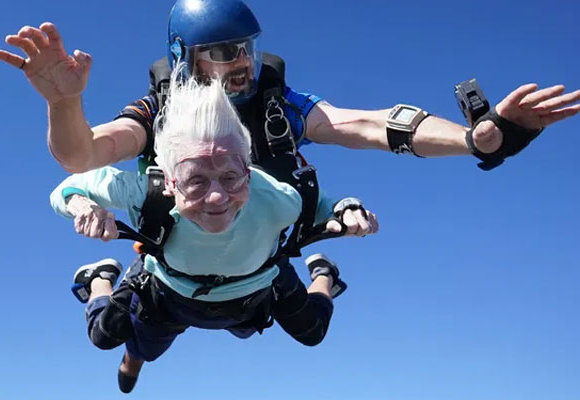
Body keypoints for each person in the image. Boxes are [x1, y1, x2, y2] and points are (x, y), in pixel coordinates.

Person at [49, 74, 379, 393]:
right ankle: (101, 281)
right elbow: (67, 188)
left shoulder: (278, 196)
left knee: (312, 331)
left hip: (254, 290)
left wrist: (348, 209)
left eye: (231, 177)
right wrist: (84, 207)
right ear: (169, 182)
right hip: (169, 290)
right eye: (197, 181)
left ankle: (325, 276)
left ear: (249, 173)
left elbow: (318, 202)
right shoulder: (144, 191)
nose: (218, 197)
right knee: (106, 335)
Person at [0, 0, 580, 175]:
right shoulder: (160, 108)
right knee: (148, 327)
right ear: (184, 59)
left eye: (245, 49)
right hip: (177, 252)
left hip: (258, 254)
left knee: (286, 319)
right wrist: (65, 103)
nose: (241, 64)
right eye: (222, 53)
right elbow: (83, 154)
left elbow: (373, 125)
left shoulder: (278, 106)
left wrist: (477, 140)